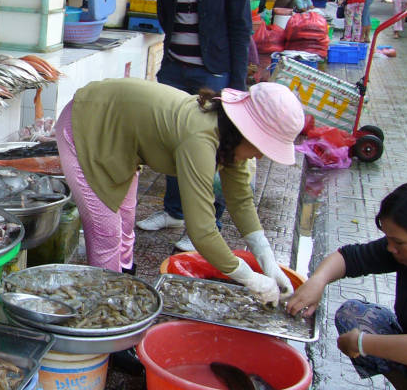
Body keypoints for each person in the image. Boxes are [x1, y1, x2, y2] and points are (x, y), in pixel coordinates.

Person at [56, 79, 301, 305]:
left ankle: (122, 288)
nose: (260, 155)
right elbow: (202, 232)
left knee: (126, 220)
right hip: (87, 122)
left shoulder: (228, 138)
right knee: (107, 232)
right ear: (246, 131)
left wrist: (266, 258)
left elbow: (240, 200)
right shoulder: (200, 138)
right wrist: (250, 278)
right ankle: (106, 312)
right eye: (261, 147)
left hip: (121, 140)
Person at [135, 0, 251, 252]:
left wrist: (236, 85)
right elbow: (166, 15)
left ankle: (208, 224)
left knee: (209, 152)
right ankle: (174, 211)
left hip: (213, 73)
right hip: (174, 67)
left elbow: (240, 28)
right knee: (170, 140)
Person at [286, 182, 407, 390]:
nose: (390, 248)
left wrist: (362, 343)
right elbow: (349, 258)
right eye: (388, 240)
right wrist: (317, 281)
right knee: (354, 315)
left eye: (399, 243)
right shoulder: (401, 250)